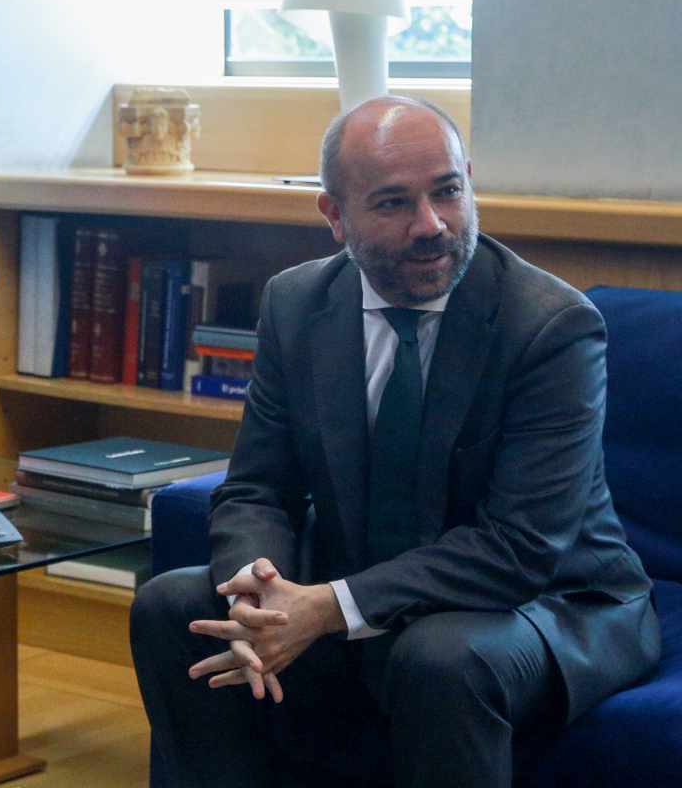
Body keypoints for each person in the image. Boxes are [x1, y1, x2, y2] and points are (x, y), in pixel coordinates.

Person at [130, 96, 660, 787]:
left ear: (469, 180)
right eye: (392, 204)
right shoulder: (298, 304)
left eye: (448, 192)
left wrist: (326, 608)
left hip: (554, 601)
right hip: (364, 576)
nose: (431, 226)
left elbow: (521, 547)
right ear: (334, 216)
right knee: (175, 607)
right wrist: (257, 596)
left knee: (439, 656)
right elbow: (259, 487)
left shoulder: (549, 328)